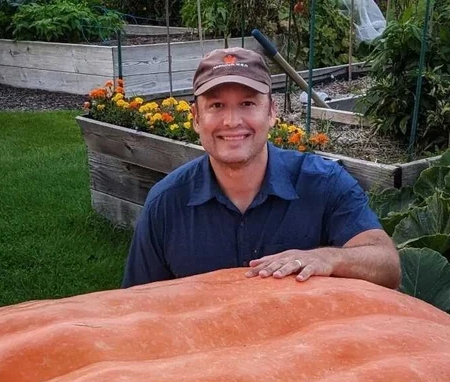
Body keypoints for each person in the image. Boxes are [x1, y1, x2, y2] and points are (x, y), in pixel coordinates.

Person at [121, 46, 400, 289]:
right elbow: (136, 304)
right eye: (216, 105)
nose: (232, 121)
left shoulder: (323, 183)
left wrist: (327, 258)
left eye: (247, 103)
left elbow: (387, 266)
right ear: (195, 118)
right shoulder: (166, 203)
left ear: (271, 113)